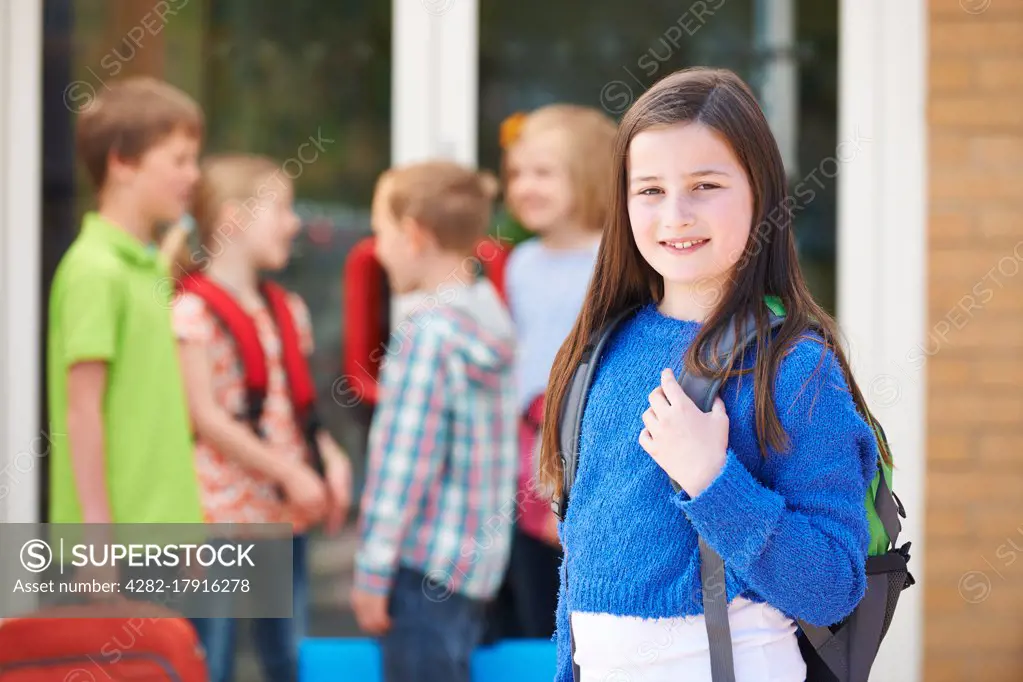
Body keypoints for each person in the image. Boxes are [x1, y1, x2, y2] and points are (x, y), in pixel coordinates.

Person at [537, 67, 879, 682]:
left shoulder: (796, 368)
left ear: (761, 194)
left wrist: (711, 479)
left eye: (705, 185)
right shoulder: (599, 351)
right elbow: (580, 577)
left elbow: (831, 586)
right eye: (649, 191)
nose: (676, 214)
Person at [171, 154, 353, 682]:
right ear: (232, 220)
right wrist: (291, 474)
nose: (293, 223)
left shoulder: (287, 308)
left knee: (285, 660)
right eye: (281, 209)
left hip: (280, 519)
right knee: (214, 659)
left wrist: (329, 461)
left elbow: (298, 409)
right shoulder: (191, 313)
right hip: (220, 518)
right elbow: (205, 417)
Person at [352, 161, 519, 682]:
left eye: (379, 233)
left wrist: (372, 571)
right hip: (471, 572)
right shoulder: (488, 317)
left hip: (420, 572)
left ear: (412, 235)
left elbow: (403, 469)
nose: (376, 250)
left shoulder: (425, 337)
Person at [47, 76, 205, 527]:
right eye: (179, 160)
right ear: (122, 162)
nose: (193, 175)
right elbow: (82, 412)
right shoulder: (94, 270)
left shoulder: (148, 268)